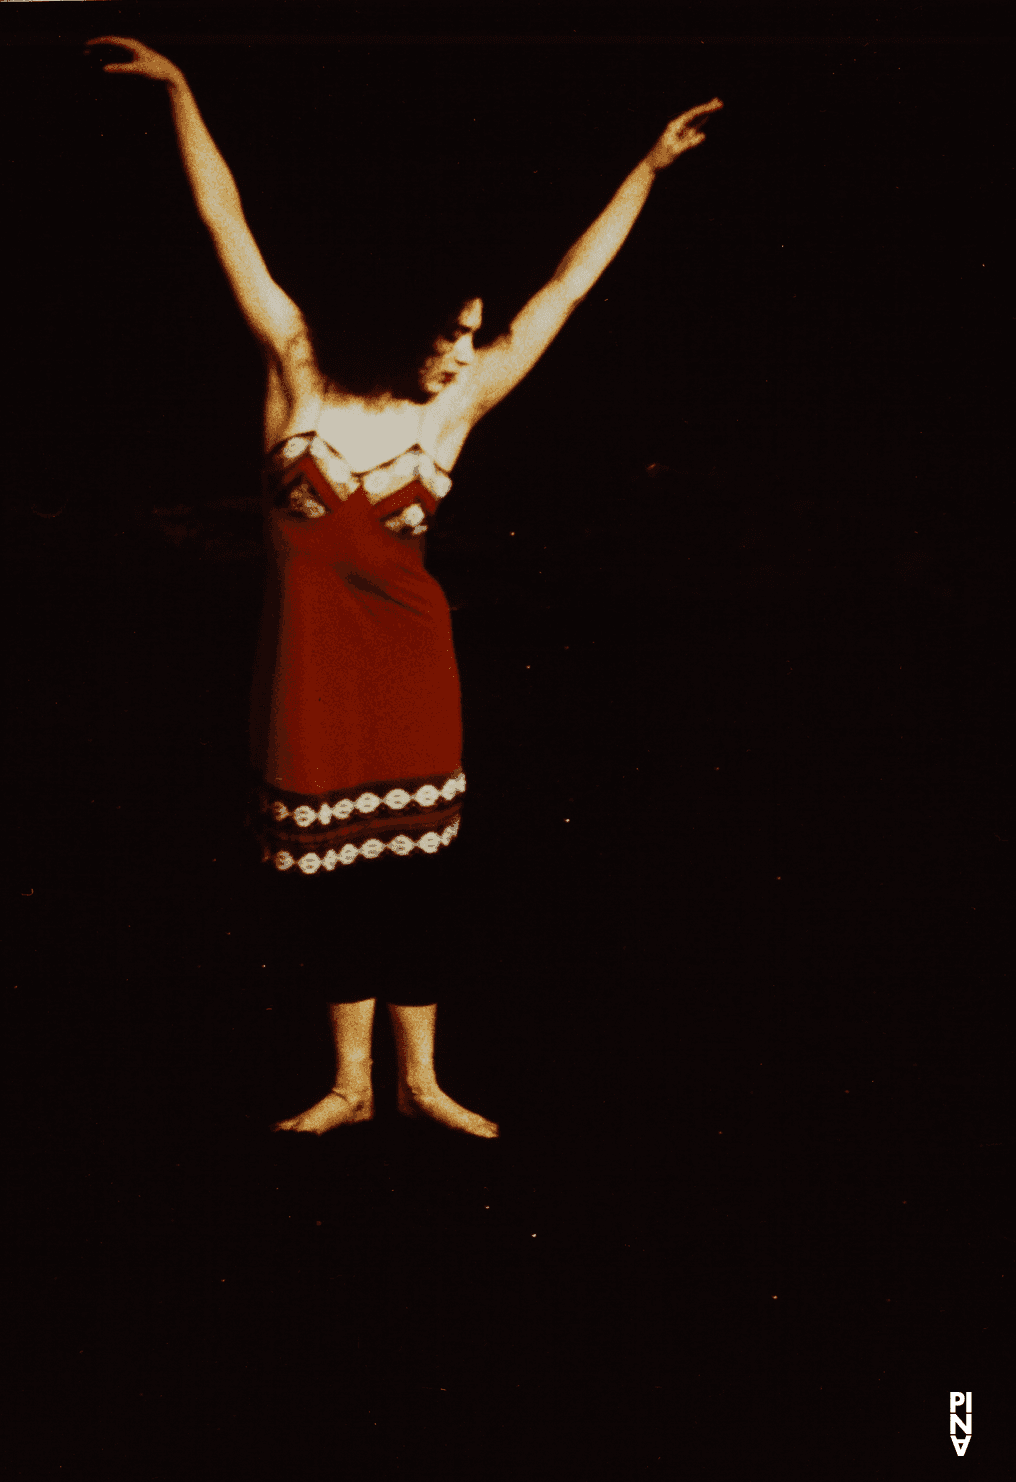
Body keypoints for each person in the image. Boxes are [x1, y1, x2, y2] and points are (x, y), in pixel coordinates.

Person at [86, 34, 723, 1139]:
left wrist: (646, 172)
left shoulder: (452, 413)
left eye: (472, 336)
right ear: (397, 318)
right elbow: (223, 224)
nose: (464, 352)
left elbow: (563, 292)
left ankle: (422, 1081)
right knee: (325, 885)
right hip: (307, 679)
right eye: (450, 333)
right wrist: (183, 94)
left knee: (418, 884)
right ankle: (350, 1085)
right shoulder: (296, 367)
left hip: (413, 675)